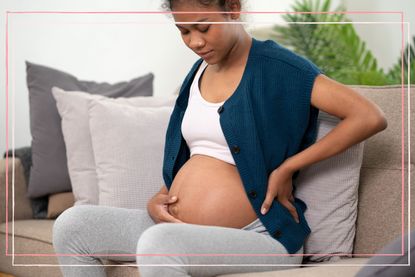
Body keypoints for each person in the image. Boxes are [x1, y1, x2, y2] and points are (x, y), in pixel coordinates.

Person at [52, 0, 388, 276]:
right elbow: (191, 155)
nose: (195, 42)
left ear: (233, 8)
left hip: (261, 236)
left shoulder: (279, 68)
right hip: (177, 230)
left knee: (161, 244)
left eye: (203, 26)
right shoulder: (197, 73)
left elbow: (369, 116)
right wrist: (161, 195)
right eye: (183, 31)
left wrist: (288, 168)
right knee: (74, 226)